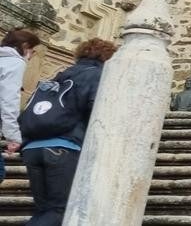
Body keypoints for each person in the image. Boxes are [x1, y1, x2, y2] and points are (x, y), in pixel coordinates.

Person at [20, 37, 116, 226]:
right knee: (59, 210)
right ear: (108, 58)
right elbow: (95, 109)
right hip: (63, 147)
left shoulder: (61, 75)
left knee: (44, 210)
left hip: (33, 148)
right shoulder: (96, 75)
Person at [0, 29, 41, 173]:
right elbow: (9, 98)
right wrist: (13, 136)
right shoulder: (16, 62)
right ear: (24, 46)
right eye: (32, 50)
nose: (31, 55)